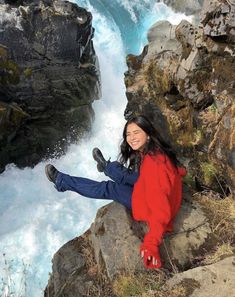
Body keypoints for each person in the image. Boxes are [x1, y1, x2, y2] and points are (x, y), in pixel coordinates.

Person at [45, 115, 186, 269]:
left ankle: (62, 181)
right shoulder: (154, 151)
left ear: (148, 133)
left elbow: (161, 211)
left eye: (136, 132)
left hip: (146, 202)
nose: (131, 138)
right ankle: (106, 166)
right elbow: (167, 172)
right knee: (127, 175)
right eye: (128, 134)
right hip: (147, 185)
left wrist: (151, 244)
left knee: (108, 188)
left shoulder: (153, 166)